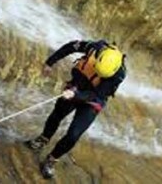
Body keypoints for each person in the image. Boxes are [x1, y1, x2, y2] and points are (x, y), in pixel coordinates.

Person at [25, 40, 127, 179]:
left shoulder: (119, 74)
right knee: (57, 114)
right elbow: (70, 47)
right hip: (77, 86)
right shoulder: (94, 48)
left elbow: (96, 94)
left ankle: (52, 159)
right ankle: (43, 139)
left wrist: (75, 95)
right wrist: (50, 62)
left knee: (74, 134)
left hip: (93, 100)